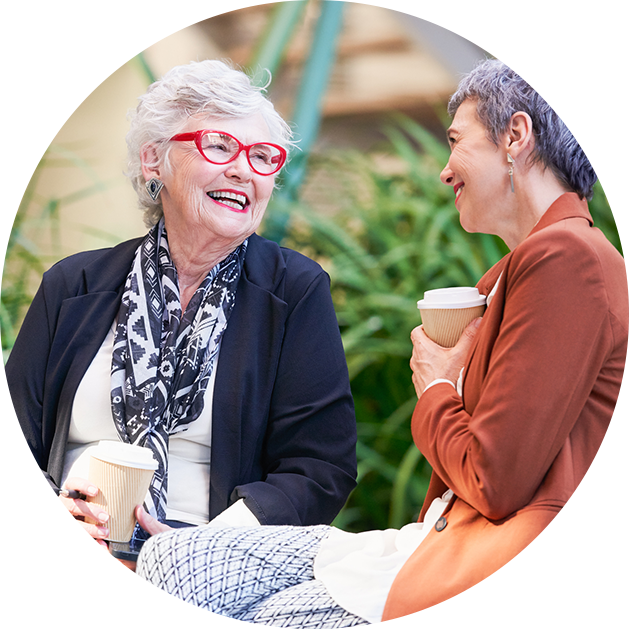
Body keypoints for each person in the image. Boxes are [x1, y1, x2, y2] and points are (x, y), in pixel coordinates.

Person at [126, 48, 628, 629]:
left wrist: (438, 388)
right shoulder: (542, 261)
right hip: (448, 549)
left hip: (515, 573)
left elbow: (496, 477)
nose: (446, 169)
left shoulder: (568, 257)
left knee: (256, 610)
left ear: (516, 135)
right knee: (176, 560)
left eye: (456, 140)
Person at [0, 59, 357, 627]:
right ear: (154, 161)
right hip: (57, 565)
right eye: (220, 146)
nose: (245, 170)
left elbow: (319, 469)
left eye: (264, 157)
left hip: (209, 567)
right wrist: (46, 521)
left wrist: (199, 552)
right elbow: (5, 446)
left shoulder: (293, 291)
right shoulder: (74, 286)